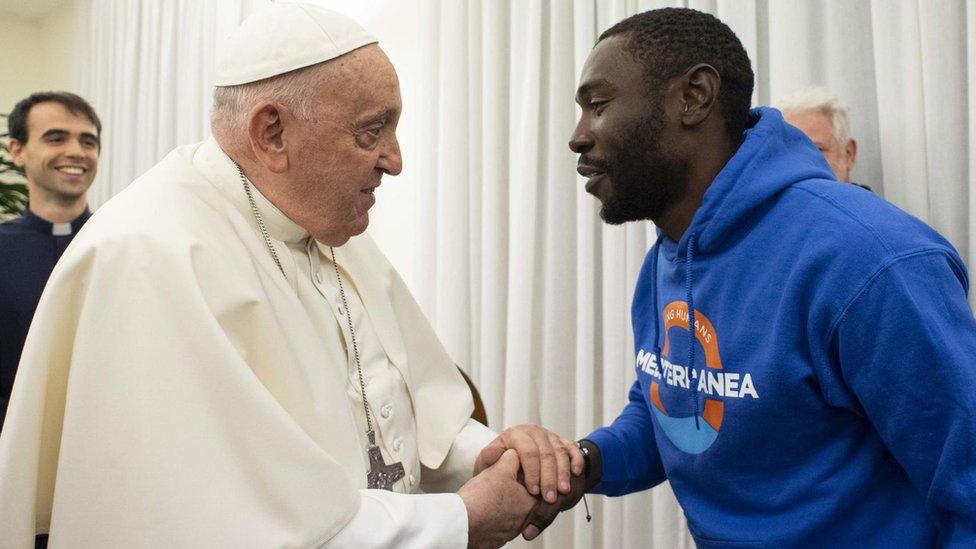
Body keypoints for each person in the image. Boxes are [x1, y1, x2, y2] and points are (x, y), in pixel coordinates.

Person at [0, 4, 579, 548]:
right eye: (371, 131)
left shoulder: (327, 226)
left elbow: (404, 402)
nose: (395, 160)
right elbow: (225, 526)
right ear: (271, 133)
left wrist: (484, 454)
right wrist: (461, 521)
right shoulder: (149, 255)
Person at [483, 7, 976, 546]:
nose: (578, 138)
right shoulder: (669, 255)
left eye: (597, 106)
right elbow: (674, 411)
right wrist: (578, 465)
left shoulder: (868, 260)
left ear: (694, 96)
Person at [0, 91, 100, 429]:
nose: (76, 151)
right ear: (17, 150)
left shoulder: (124, 244)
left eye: (88, 141)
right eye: (56, 138)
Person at [777, 86, 870, 190]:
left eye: (817, 149)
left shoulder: (872, 206)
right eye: (792, 152)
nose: (802, 165)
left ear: (849, 154)